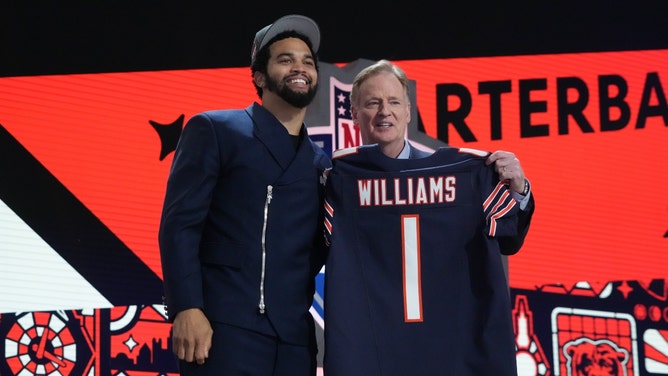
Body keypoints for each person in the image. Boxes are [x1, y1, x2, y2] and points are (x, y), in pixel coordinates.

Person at [322, 59, 535, 375]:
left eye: (394, 101)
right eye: (373, 103)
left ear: (408, 111)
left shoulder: (468, 174)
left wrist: (520, 188)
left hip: (452, 349)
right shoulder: (336, 185)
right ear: (353, 114)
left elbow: (511, 237)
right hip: (377, 352)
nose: (385, 111)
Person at [158, 15, 330, 376]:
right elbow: (180, 226)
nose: (299, 67)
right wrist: (187, 307)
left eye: (307, 61)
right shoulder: (216, 129)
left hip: (294, 339)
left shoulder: (320, 161)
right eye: (285, 59)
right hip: (222, 329)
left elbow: (317, 250)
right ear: (259, 77)